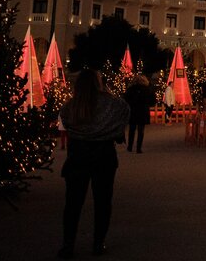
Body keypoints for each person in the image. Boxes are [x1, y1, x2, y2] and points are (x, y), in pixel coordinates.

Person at [58, 69, 130, 258]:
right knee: (103, 201)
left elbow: (66, 122)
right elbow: (125, 112)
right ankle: (98, 243)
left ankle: (68, 244)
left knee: (73, 203)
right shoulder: (112, 103)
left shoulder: (71, 106)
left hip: (78, 155)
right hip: (103, 155)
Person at [122, 74, 152, 153]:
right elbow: (152, 100)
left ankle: (130, 146)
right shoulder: (146, 89)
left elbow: (126, 99)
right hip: (143, 110)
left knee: (132, 129)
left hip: (133, 110)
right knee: (141, 130)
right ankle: (139, 148)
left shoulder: (130, 89)